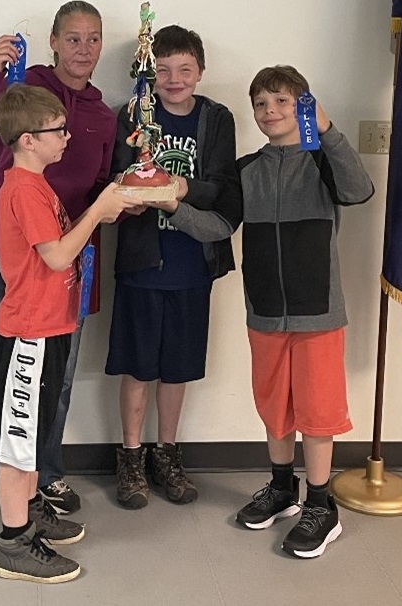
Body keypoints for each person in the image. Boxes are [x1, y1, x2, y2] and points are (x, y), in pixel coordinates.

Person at [0, 1, 116, 528]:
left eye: (93, 39)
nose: (84, 49)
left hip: (66, 258)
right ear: (54, 42)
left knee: (54, 380)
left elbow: (96, 190)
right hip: (5, 255)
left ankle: (38, 474)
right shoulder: (25, 89)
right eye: (73, 38)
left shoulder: (105, 116)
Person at [0, 84, 140, 582]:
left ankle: (28, 517)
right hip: (29, 331)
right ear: (29, 139)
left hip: (50, 326)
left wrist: (106, 207)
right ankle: (13, 543)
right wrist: (97, 211)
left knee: (34, 433)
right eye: (58, 131)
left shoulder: (39, 182)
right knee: (18, 440)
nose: (67, 137)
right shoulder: (24, 189)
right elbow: (55, 255)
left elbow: (56, 242)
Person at [234, 65, 374, 558]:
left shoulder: (321, 161)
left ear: (303, 107)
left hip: (318, 312)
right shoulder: (247, 168)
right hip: (265, 311)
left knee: (317, 412)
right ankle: (281, 488)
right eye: (260, 104)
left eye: (282, 102)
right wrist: (170, 200)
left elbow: (359, 190)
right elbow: (216, 221)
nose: (269, 111)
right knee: (274, 407)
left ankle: (320, 504)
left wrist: (329, 133)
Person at [106, 25, 241, 509]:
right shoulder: (133, 114)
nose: (174, 78)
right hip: (143, 260)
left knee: (177, 367)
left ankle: (167, 453)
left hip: (192, 262)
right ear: (150, 73)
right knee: (140, 365)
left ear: (200, 72)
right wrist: (131, 200)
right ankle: (130, 455)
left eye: (184, 69)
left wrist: (179, 190)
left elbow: (223, 187)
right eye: (163, 70)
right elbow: (116, 177)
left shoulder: (216, 119)